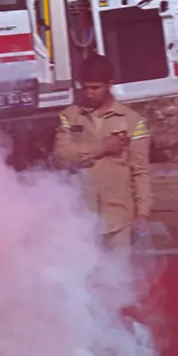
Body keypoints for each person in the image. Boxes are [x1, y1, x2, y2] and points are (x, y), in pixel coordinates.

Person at [53, 55, 152, 254]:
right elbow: (61, 156)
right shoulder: (69, 116)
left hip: (119, 221)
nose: (89, 94)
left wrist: (143, 213)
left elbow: (140, 171)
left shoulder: (133, 121)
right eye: (85, 87)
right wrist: (103, 147)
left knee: (120, 280)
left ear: (110, 85)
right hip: (80, 221)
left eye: (95, 88)